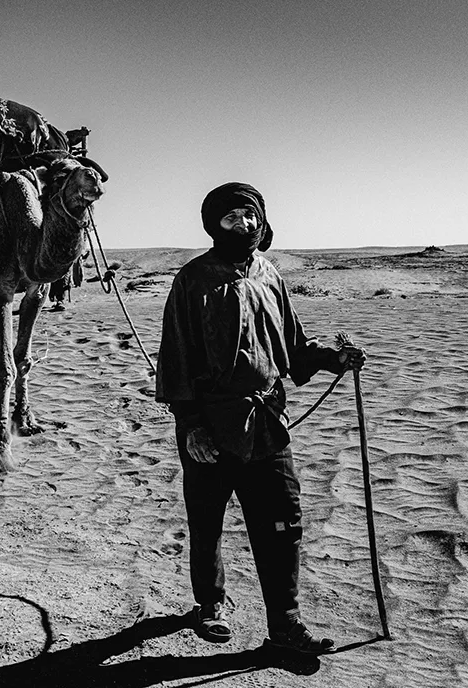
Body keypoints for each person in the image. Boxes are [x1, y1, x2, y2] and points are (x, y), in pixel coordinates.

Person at [155, 182, 365, 655]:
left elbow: (292, 344)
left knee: (281, 524)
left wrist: (335, 358)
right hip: (211, 424)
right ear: (214, 225)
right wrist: (190, 425)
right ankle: (210, 605)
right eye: (232, 219)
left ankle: (285, 629)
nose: (244, 225)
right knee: (207, 522)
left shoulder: (270, 275)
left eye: (250, 217)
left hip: (267, 423)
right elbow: (177, 358)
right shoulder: (192, 280)